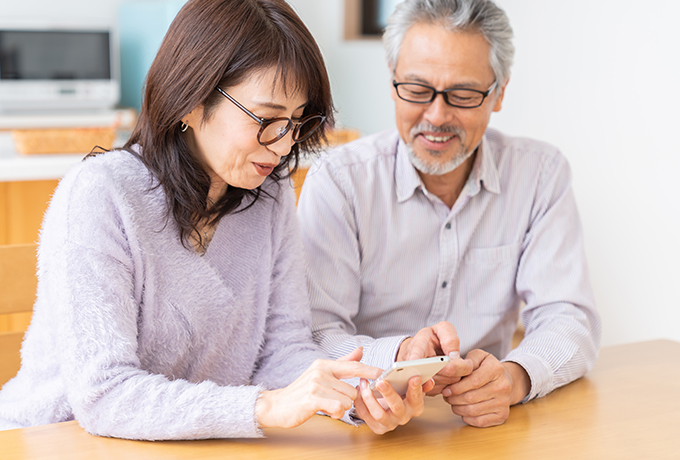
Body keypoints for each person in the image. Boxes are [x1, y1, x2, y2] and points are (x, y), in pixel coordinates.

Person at [0, 0, 428, 440]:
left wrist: (355, 396)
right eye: (267, 119)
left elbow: (283, 353)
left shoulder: (269, 191)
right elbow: (104, 394)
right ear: (190, 98)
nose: (283, 147)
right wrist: (264, 406)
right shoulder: (100, 195)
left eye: (297, 121)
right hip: (51, 440)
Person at [298, 0, 602, 428]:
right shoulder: (339, 181)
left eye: (462, 94)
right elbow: (314, 333)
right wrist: (398, 358)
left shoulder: (540, 175)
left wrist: (514, 378)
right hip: (361, 425)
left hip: (482, 426)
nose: (436, 117)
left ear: (498, 94)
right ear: (392, 82)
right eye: (418, 90)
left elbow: (569, 317)